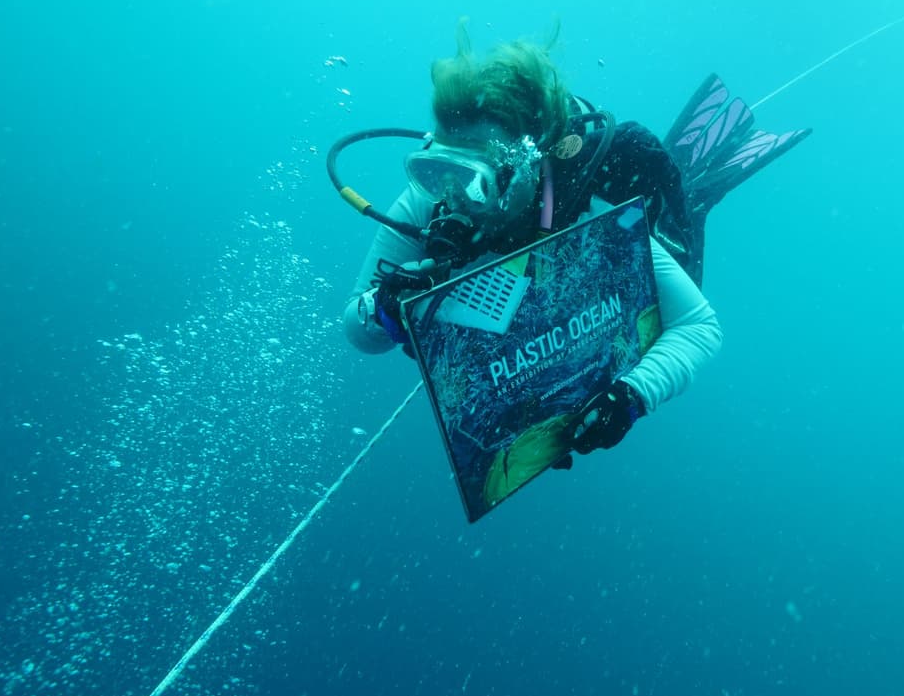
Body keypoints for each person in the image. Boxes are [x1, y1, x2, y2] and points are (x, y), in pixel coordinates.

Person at [340, 25, 810, 464]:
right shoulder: (427, 202)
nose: (453, 197)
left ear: (526, 166)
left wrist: (633, 395)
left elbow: (698, 325)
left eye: (473, 181)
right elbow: (358, 332)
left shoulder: (592, 207)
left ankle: (695, 188)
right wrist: (381, 308)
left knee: (678, 228)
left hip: (609, 257)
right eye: (436, 171)